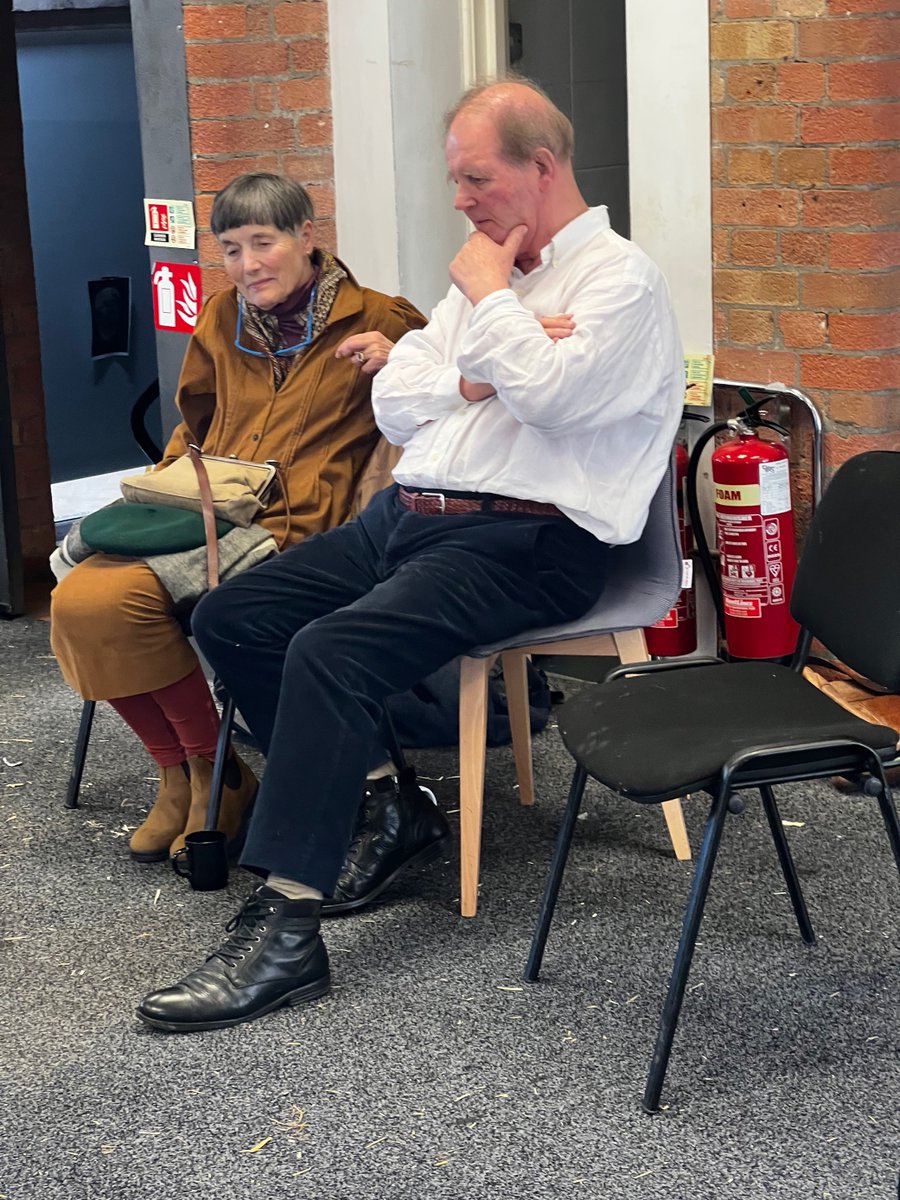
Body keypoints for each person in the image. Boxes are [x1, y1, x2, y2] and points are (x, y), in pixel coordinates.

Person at [136, 78, 684, 1033]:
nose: (462, 200)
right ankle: (393, 803)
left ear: (540, 168)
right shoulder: (482, 276)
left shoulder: (618, 282)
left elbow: (555, 401)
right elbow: (399, 399)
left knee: (331, 650)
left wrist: (487, 315)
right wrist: (479, 366)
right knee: (235, 614)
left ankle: (287, 929)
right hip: (414, 512)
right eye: (456, 180)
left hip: (531, 538)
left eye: (476, 178)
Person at [51, 173, 425, 864]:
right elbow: (191, 427)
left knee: (113, 599)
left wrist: (407, 365)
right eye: (230, 248)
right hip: (206, 507)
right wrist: (157, 503)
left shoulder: (381, 318)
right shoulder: (221, 320)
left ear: (307, 237)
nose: (247, 264)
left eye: (264, 242)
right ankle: (195, 772)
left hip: (303, 525)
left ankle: (213, 776)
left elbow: (434, 415)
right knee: (75, 597)